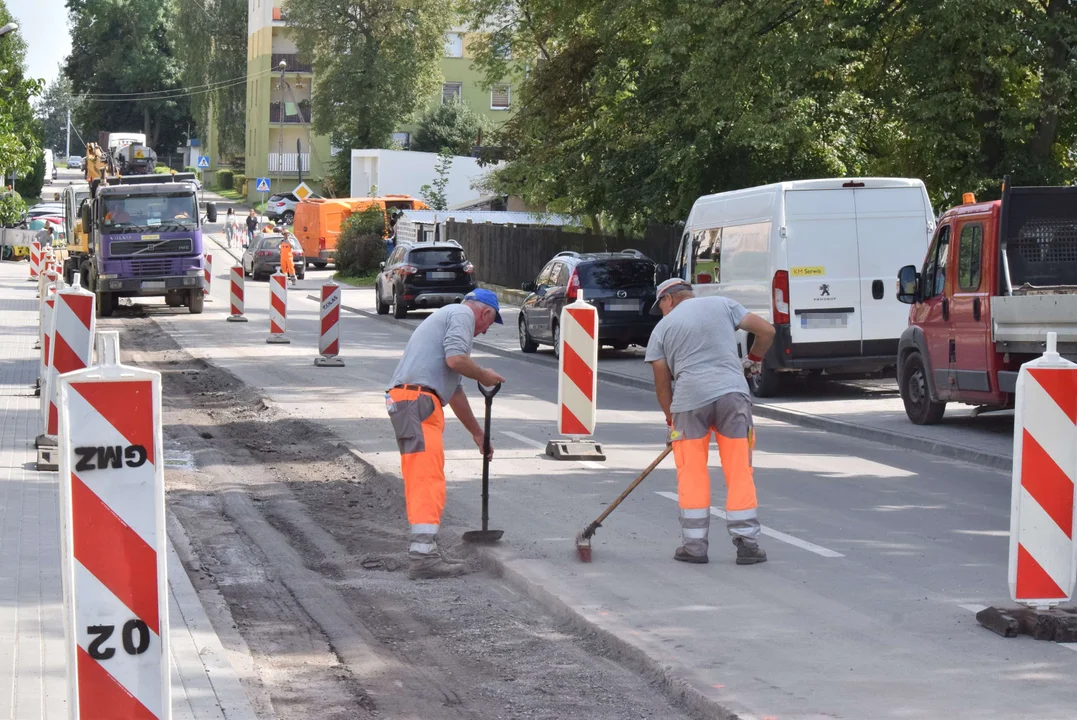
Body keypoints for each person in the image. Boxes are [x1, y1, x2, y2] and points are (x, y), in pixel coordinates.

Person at [645, 278, 776, 565]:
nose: (662, 312)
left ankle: (694, 547)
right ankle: (747, 544)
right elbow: (767, 330)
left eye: (661, 306)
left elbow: (662, 384)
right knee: (739, 469)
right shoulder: (723, 305)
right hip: (732, 396)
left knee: (691, 472)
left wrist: (671, 422)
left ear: (668, 299)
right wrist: (753, 358)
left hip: (689, 403)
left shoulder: (662, 329)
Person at [386, 289, 507, 580]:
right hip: (417, 404)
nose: (486, 330)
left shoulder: (447, 317)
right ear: (485, 313)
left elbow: (454, 391)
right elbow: (456, 360)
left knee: (426, 477)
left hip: (413, 402)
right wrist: (483, 373)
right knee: (426, 480)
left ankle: (424, 551)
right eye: (490, 323)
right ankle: (423, 557)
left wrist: (478, 434)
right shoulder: (463, 314)